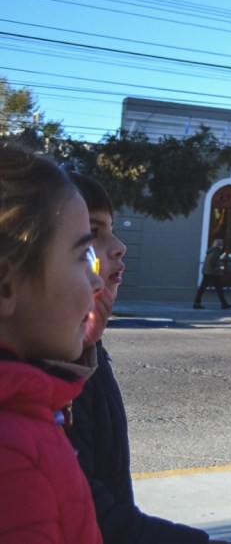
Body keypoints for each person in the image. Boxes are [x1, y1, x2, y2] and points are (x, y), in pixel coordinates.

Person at [67, 172, 227, 543]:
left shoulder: (83, 350)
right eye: (92, 233)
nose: (119, 245)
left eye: (110, 227)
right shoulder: (46, 369)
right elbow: (92, 516)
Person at [0, 143, 103, 542]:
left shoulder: (28, 415)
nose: (95, 281)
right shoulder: (11, 460)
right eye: (82, 257)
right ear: (5, 286)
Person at [193, 238, 231, 309]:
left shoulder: (211, 251)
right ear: (219, 245)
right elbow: (214, 260)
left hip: (208, 272)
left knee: (204, 288)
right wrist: (217, 267)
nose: (222, 246)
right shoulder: (216, 251)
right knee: (218, 288)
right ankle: (224, 304)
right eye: (222, 245)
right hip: (212, 273)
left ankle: (197, 303)